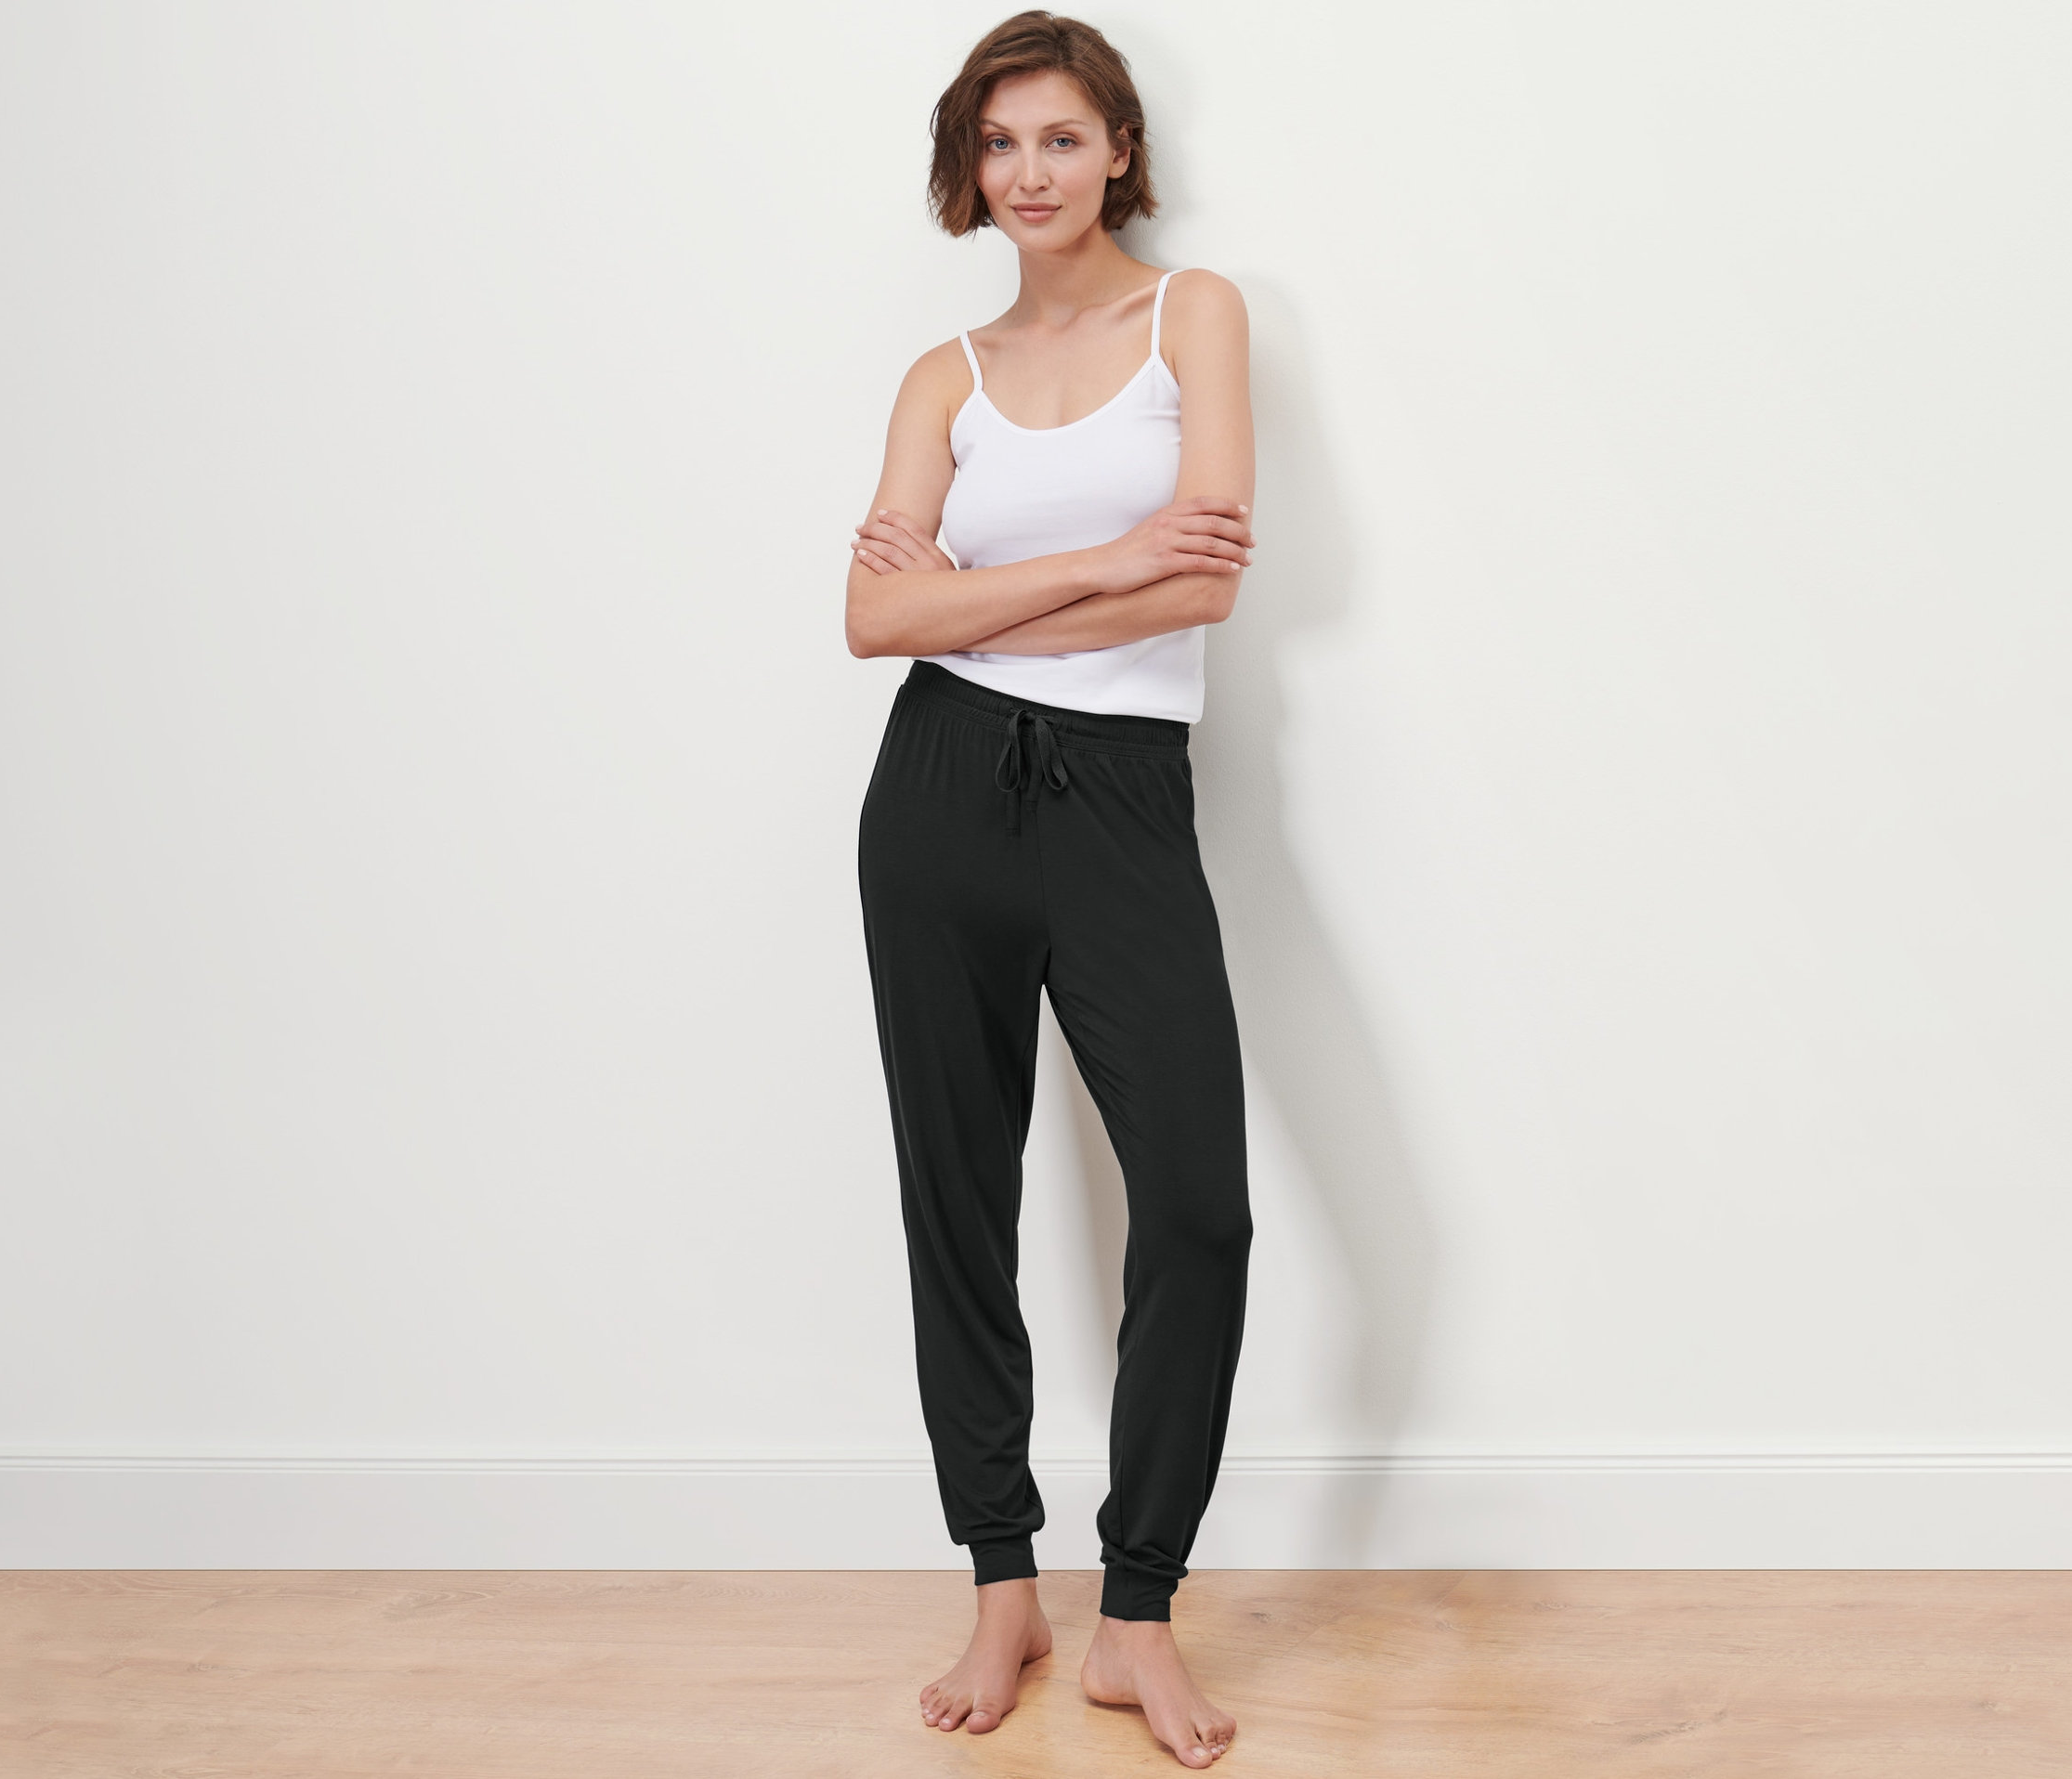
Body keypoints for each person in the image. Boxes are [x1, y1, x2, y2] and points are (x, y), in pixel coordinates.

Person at [847, 11, 1255, 1768]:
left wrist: (980, 587)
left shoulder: (1197, 316)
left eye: (1061, 139)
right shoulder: (938, 373)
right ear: (969, 166)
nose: (1030, 172)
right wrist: (1101, 557)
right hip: (934, 794)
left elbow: (1206, 585)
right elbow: (873, 624)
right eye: (1000, 144)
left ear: (1116, 152)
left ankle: (1135, 1608)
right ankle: (1003, 1582)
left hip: (1118, 802)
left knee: (1196, 1205)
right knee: (961, 1192)